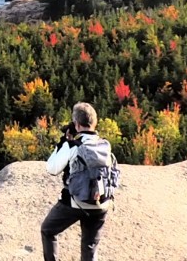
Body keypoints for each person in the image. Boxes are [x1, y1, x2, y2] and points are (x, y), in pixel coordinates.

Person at [40, 102, 115, 261]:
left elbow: (51, 168)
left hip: (76, 203)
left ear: (76, 124)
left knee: (48, 230)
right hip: (101, 203)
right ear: (95, 123)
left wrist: (63, 143)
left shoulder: (73, 146)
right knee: (90, 246)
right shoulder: (105, 145)